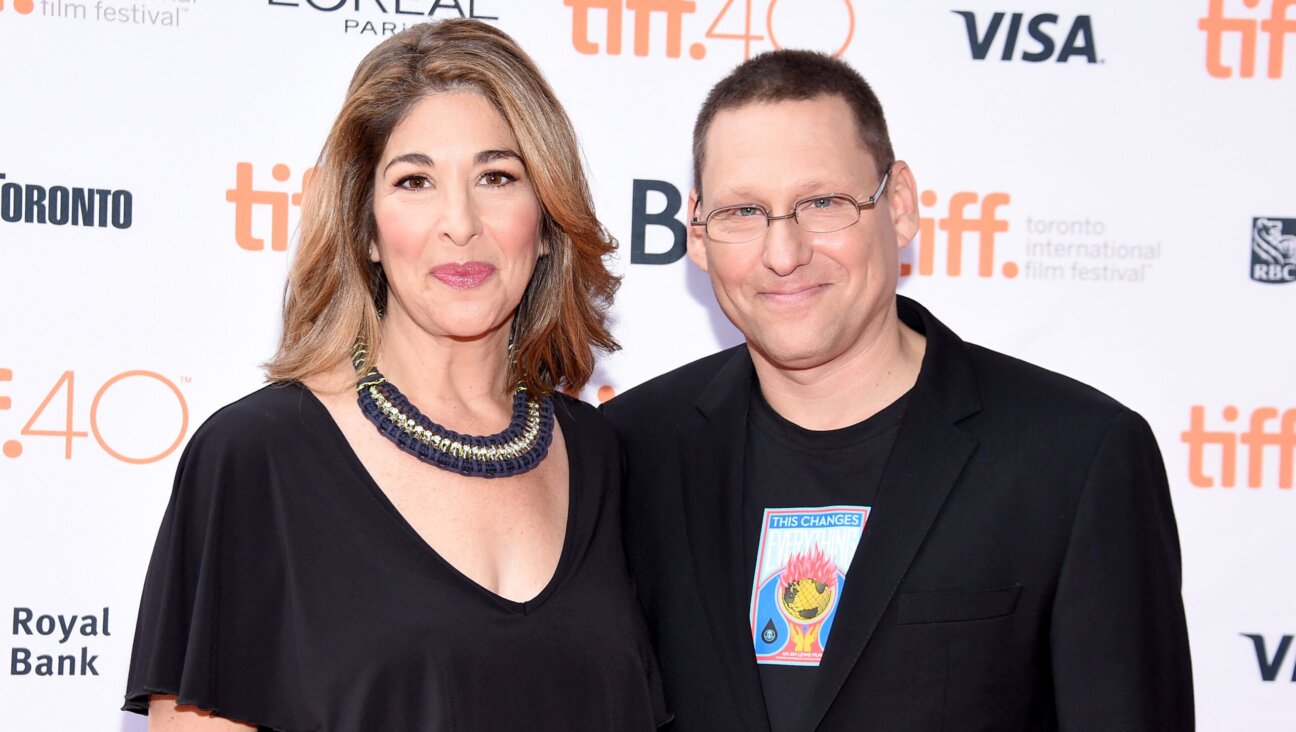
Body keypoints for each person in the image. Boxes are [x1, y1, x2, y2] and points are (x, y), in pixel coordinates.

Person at [603, 49, 1193, 731]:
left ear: (901, 204)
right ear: (699, 234)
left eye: (822, 203)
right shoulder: (632, 450)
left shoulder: (1076, 458)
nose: (784, 252)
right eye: (743, 211)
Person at [123, 20, 667, 731]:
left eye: (497, 177)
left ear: (545, 219)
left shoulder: (601, 456)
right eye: (415, 181)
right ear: (368, 228)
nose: (459, 222)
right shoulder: (257, 460)